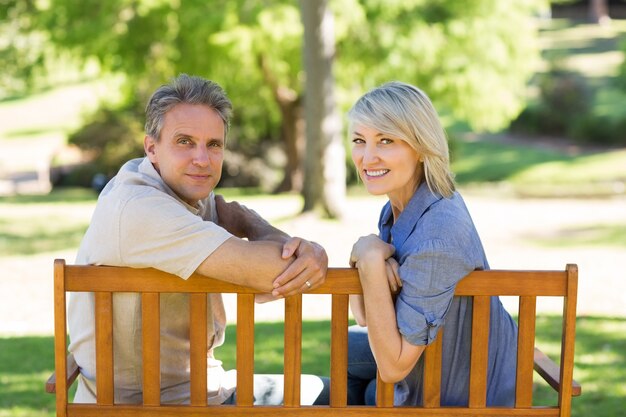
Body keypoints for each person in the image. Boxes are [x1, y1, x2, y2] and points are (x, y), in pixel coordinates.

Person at [68, 74, 330, 405]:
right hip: (157, 406)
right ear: (152, 147)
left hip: (195, 389)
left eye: (214, 144)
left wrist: (261, 228)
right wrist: (308, 252)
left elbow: (275, 279)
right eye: (185, 142)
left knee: (341, 386)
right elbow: (276, 275)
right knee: (343, 396)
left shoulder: (178, 190)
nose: (202, 160)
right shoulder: (140, 208)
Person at [345, 81, 518, 406]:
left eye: (385, 140)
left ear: (422, 147)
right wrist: (363, 254)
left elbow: (394, 366)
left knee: (359, 385)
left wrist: (368, 259)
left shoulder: (439, 232)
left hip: (464, 397)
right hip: (433, 363)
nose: (367, 157)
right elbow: (366, 317)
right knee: (344, 351)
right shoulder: (400, 208)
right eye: (359, 140)